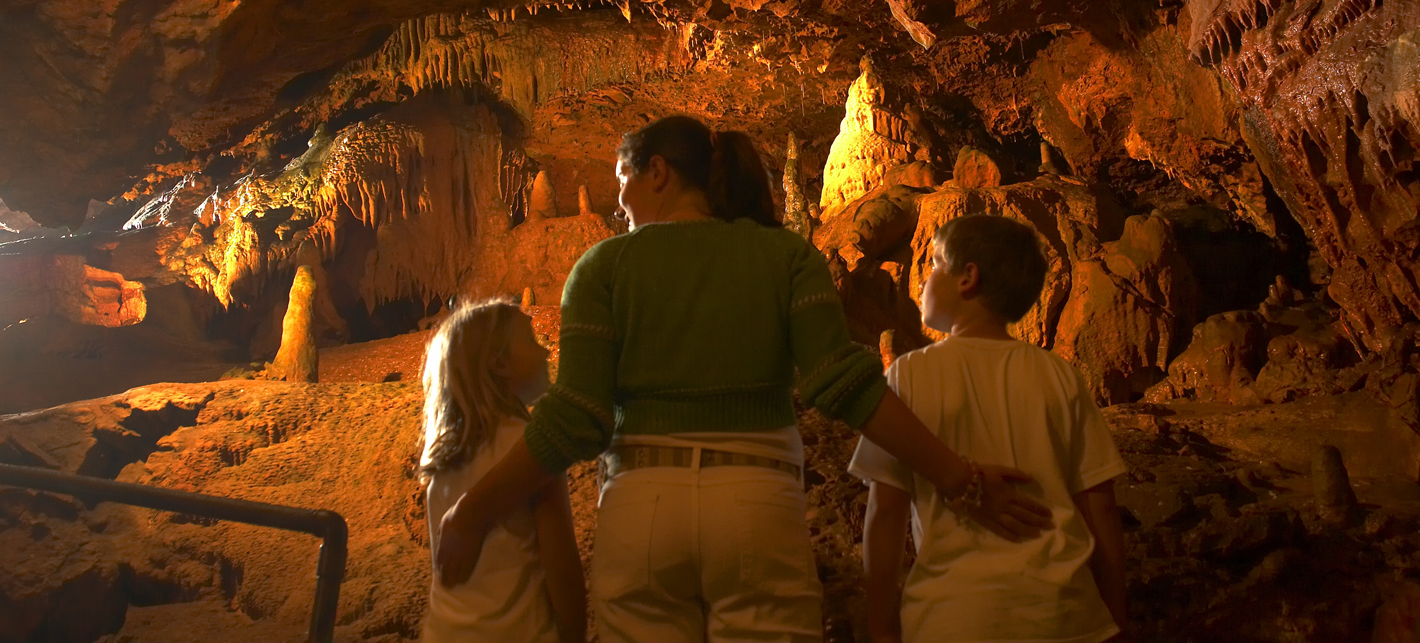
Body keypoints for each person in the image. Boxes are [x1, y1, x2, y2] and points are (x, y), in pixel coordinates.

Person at [434, 116, 1055, 642]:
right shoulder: (784, 257)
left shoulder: (603, 269)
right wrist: (961, 478)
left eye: (623, 182)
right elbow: (846, 386)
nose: (619, 202)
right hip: (756, 501)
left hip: (642, 505)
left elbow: (576, 419)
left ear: (657, 173)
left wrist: (470, 510)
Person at [850, 214, 1130, 643]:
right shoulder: (1059, 375)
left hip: (955, 617)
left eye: (933, 266)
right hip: (1066, 616)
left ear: (967, 278)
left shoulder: (909, 374)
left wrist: (880, 627)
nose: (923, 280)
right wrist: (1115, 616)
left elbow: (885, 514)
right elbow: (1100, 508)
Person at [416, 299, 585, 643]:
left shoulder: (444, 456)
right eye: (532, 340)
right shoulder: (530, 450)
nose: (546, 352)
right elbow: (561, 568)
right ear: (499, 363)